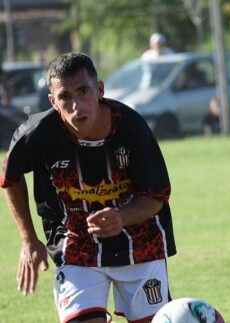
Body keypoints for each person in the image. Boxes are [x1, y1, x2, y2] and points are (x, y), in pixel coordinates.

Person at [1, 53, 176, 322]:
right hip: (76, 247)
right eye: (65, 97)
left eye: (83, 92)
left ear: (100, 90)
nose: (76, 105)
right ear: (53, 101)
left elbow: (156, 196)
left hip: (141, 243)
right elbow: (9, 176)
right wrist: (28, 239)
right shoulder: (38, 133)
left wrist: (121, 217)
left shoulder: (131, 127)